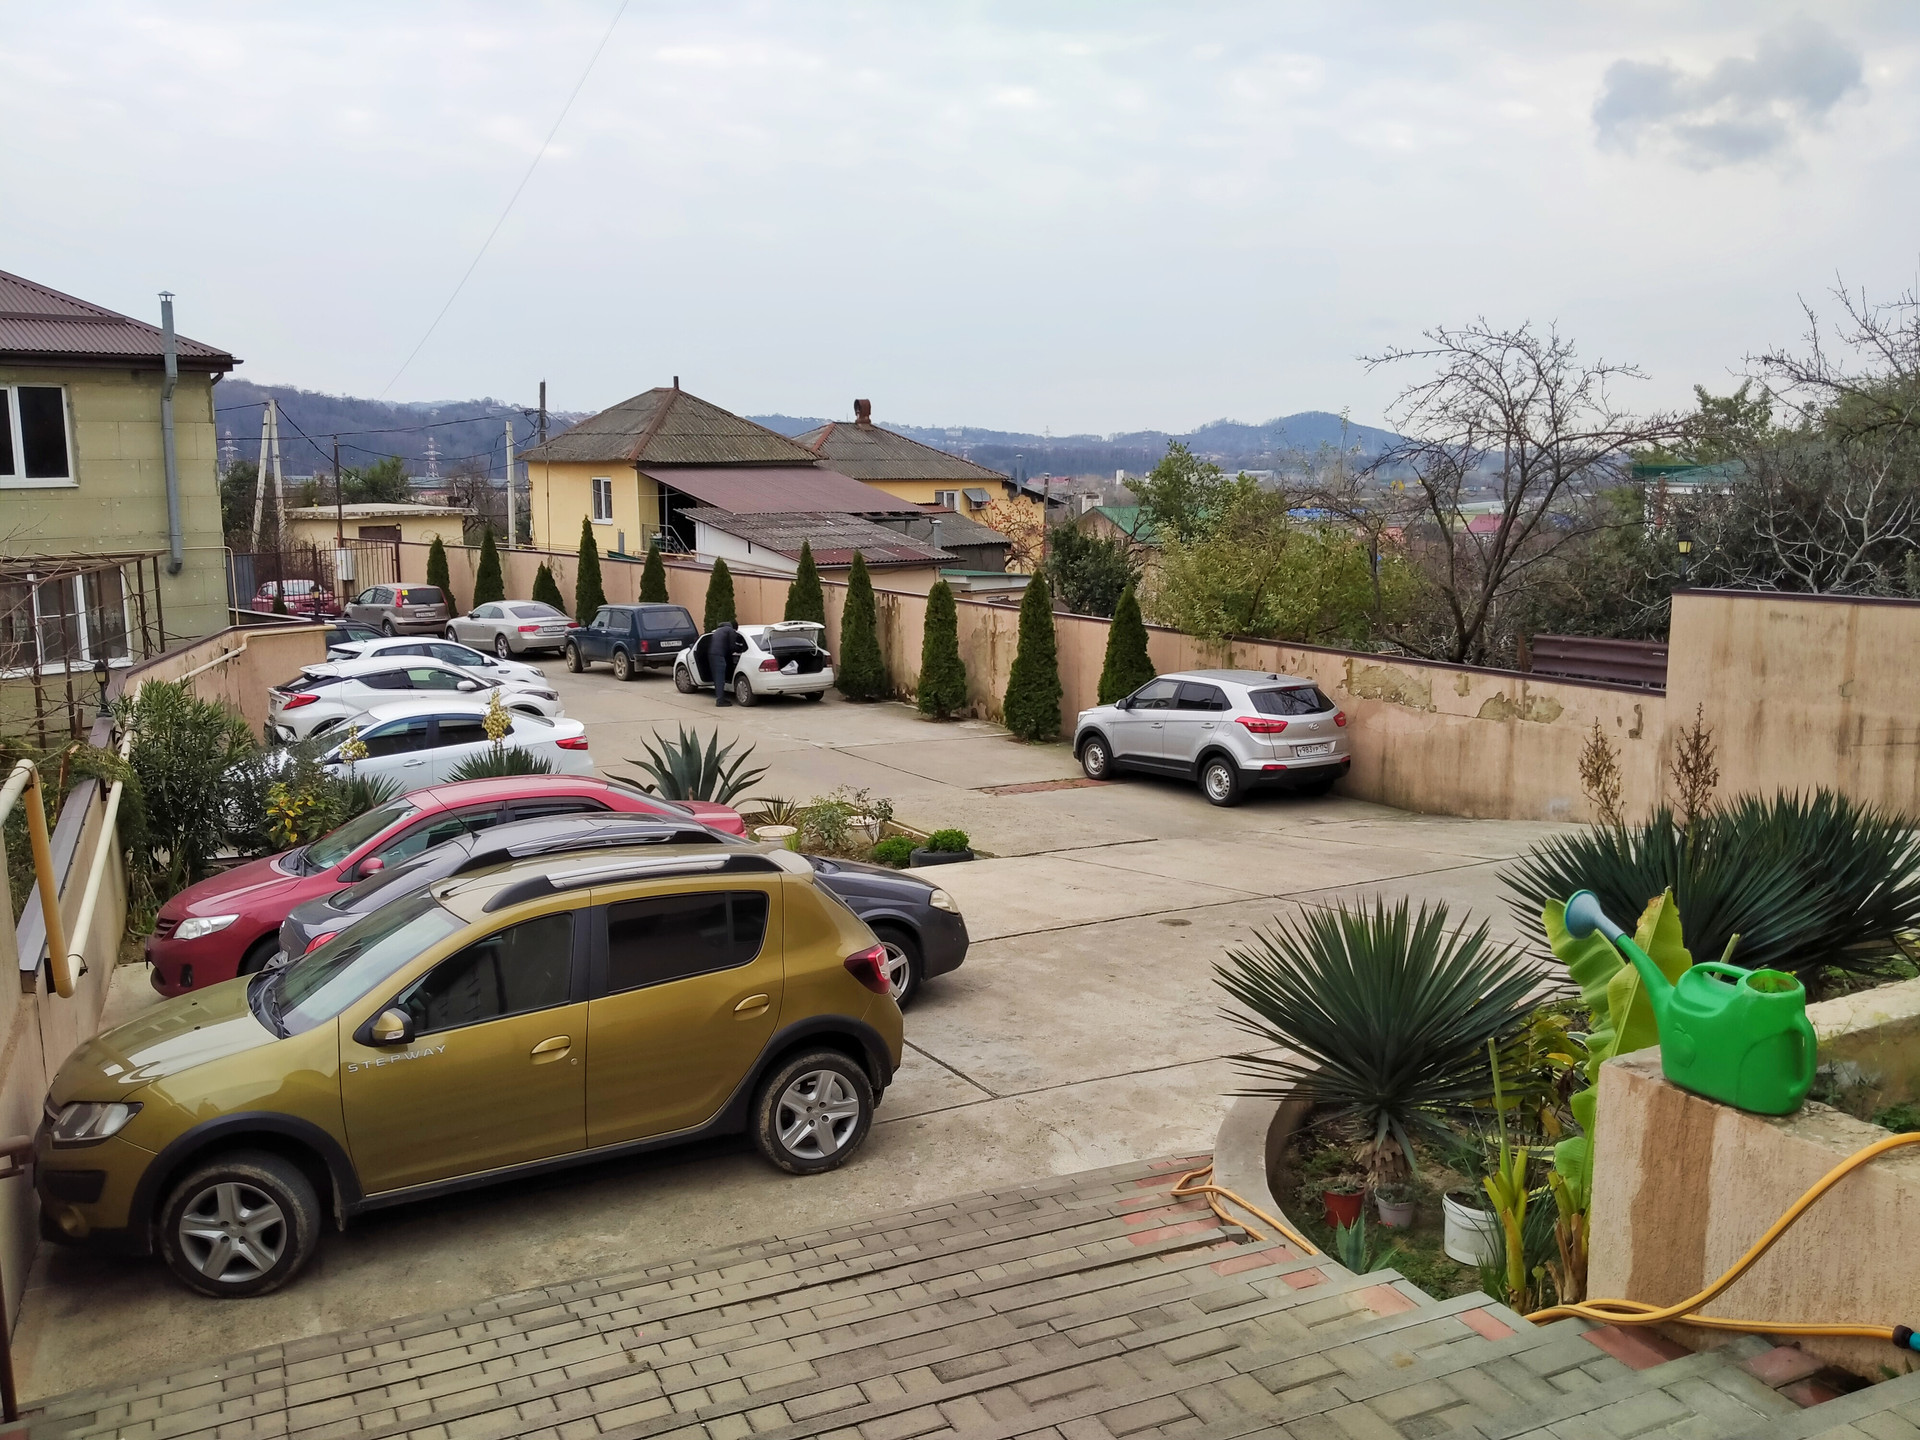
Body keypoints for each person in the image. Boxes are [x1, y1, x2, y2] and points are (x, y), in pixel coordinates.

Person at [707, 620, 746, 706]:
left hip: (711, 654)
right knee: (720, 678)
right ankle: (720, 701)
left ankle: (719, 698)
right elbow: (732, 646)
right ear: (735, 628)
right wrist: (741, 649)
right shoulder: (730, 630)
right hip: (719, 655)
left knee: (717, 678)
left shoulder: (719, 630)